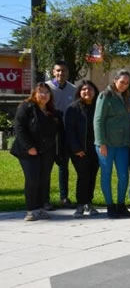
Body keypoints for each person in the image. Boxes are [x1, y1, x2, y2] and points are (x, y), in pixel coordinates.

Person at [11, 83, 64, 221]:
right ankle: (31, 210)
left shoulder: (52, 111)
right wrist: (29, 147)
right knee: (32, 179)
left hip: (47, 152)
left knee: (43, 180)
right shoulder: (26, 107)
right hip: (28, 151)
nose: (44, 95)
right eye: (41, 92)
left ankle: (40, 208)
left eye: (47, 92)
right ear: (34, 94)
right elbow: (19, 127)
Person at [93, 69, 130, 218]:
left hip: (122, 144)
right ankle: (110, 206)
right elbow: (98, 120)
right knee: (107, 174)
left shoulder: (125, 97)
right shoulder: (105, 96)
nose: (124, 85)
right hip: (106, 144)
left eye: (127, 83)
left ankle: (121, 204)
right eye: (122, 82)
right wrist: (101, 142)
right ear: (115, 80)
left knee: (123, 175)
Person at [65, 80, 100, 217]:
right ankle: (80, 204)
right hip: (79, 150)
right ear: (79, 92)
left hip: (96, 149)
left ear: (95, 92)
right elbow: (69, 131)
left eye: (90, 89)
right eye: (84, 89)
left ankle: (89, 203)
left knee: (92, 176)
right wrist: (76, 148)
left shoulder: (98, 106)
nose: (87, 92)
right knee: (83, 176)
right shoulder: (73, 108)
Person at [45, 61, 75, 208]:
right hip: (49, 133)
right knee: (47, 166)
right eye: (57, 71)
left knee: (64, 166)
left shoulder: (73, 90)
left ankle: (64, 197)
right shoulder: (46, 88)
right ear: (53, 72)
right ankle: (45, 199)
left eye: (63, 71)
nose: (60, 73)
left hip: (66, 132)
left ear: (67, 73)